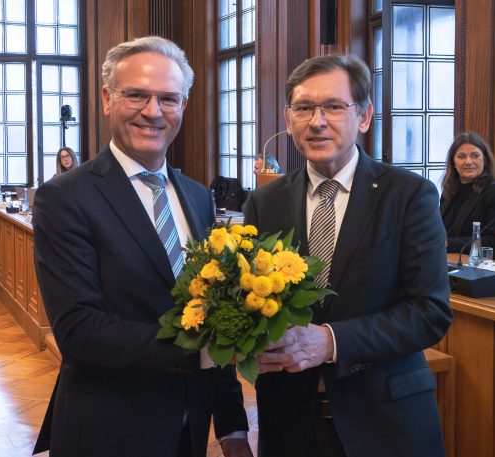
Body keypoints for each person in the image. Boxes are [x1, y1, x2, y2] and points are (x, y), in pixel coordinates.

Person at [32, 36, 251, 457]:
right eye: (136, 95)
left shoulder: (197, 196)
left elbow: (215, 314)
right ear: (107, 99)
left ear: (183, 106)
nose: (153, 111)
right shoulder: (65, 198)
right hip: (109, 430)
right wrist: (196, 353)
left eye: (169, 98)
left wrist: (232, 427)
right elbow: (79, 332)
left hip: (191, 427)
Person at [243, 54, 453, 457]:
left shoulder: (408, 196)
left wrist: (330, 341)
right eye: (304, 108)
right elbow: (254, 304)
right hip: (288, 421)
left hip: (385, 420)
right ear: (289, 121)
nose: (317, 121)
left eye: (334, 106)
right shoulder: (263, 202)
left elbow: (430, 311)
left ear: (364, 116)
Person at [440, 132, 495, 259]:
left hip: (482, 265)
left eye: (475, 155)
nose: (468, 161)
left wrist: (447, 243)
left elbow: (492, 242)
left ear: (484, 160)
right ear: (453, 163)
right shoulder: (449, 190)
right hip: (447, 260)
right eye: (461, 156)